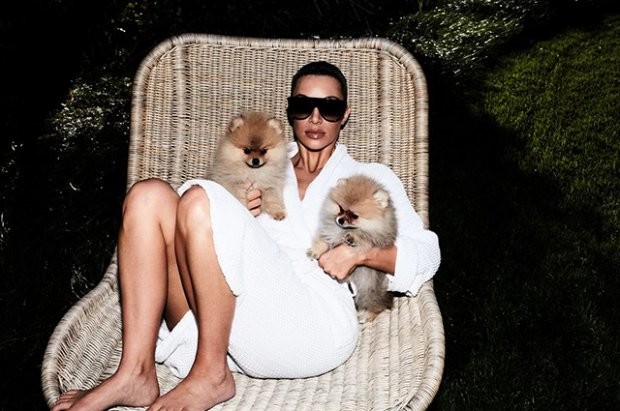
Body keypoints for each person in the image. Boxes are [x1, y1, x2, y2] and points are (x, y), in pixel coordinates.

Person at [52, 61, 440, 411]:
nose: (315, 118)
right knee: (147, 195)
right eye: (303, 106)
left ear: (345, 115)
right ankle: (134, 372)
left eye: (330, 108)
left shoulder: (369, 177)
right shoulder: (257, 160)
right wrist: (236, 208)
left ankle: (210, 374)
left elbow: (427, 253)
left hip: (313, 325)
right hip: (222, 319)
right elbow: (197, 228)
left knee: (200, 198)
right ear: (290, 111)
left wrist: (358, 254)